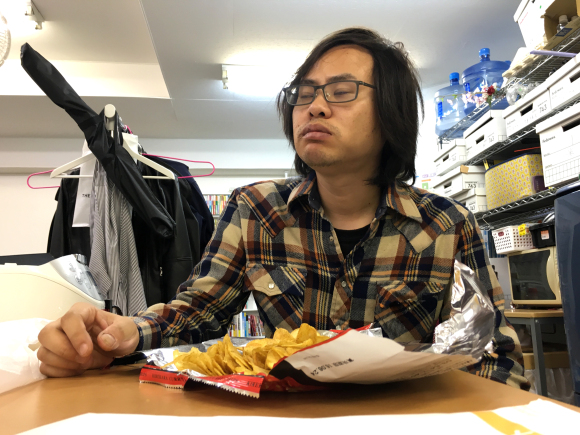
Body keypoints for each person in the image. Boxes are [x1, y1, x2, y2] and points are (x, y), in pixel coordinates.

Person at [37, 27, 529, 389]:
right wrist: (124, 333)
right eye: (303, 94)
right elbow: (200, 310)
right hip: (290, 416)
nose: (314, 107)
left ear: (392, 113)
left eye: (341, 92)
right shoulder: (255, 210)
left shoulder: (447, 225)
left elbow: (494, 355)